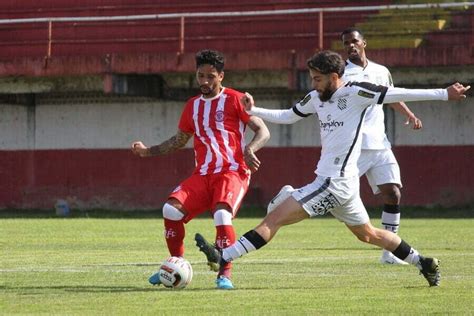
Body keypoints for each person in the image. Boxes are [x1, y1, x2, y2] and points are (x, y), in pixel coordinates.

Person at [195, 50, 470, 287]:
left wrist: (444, 94)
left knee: (273, 219)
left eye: (317, 78)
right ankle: (423, 262)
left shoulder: (356, 91)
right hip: (341, 184)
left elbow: (397, 93)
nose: (313, 84)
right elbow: (290, 116)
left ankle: (224, 256)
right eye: (312, 79)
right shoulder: (316, 97)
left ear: (334, 76)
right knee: (368, 234)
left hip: (333, 183)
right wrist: (256, 110)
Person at [132, 49, 270, 290]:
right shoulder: (192, 106)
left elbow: (263, 130)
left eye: (210, 76)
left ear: (221, 76)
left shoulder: (235, 99)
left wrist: (250, 150)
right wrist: (148, 151)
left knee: (221, 215)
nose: (205, 81)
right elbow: (178, 141)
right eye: (200, 76)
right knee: (170, 210)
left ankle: (224, 273)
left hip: (233, 171)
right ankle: (176, 265)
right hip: (203, 174)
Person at [341, 27, 423, 265]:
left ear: (363, 42)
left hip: (379, 142)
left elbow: (391, 95)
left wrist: (409, 113)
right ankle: (292, 198)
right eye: (346, 43)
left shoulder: (381, 71)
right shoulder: (343, 73)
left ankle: (390, 253)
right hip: (354, 145)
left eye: (354, 41)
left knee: (393, 192)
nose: (350, 46)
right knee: (336, 194)